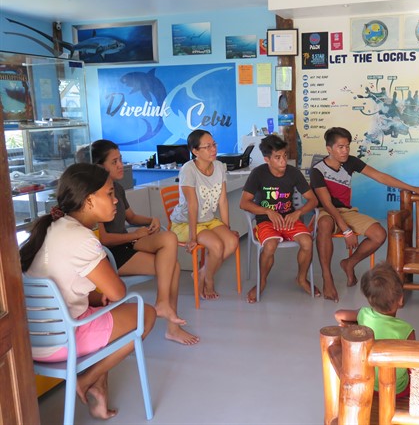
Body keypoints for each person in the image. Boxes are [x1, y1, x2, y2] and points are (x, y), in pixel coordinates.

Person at [20, 163, 156, 420]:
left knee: (103, 308)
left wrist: (95, 296)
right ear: (89, 200)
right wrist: (102, 294)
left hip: (32, 339)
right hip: (62, 340)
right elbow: (117, 292)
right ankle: (88, 379)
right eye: (109, 194)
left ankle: (99, 391)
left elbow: (64, 287)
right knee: (145, 313)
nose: (116, 200)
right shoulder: (83, 238)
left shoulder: (51, 227)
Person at [92, 140, 198, 345]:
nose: (121, 165)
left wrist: (151, 221)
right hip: (113, 253)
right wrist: (135, 236)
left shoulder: (118, 189)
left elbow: (131, 217)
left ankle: (163, 304)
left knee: (169, 237)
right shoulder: (96, 194)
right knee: (174, 267)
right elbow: (104, 239)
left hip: (127, 243)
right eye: (114, 162)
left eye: (120, 159)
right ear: (100, 167)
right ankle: (171, 325)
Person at [310, 127, 419, 302]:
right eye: (340, 147)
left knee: (379, 234)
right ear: (329, 149)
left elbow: (380, 176)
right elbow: (327, 204)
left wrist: (414, 188)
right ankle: (327, 277)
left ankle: (349, 263)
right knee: (324, 224)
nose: (345, 151)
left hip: (346, 212)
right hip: (327, 211)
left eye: (347, 146)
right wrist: (346, 230)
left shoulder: (350, 162)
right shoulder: (317, 170)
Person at [239, 134, 320, 303]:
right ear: (267, 159)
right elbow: (244, 203)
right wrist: (267, 212)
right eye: (277, 158)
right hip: (266, 221)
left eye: (284, 156)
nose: (283, 161)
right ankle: (261, 282)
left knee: (307, 242)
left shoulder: (293, 173)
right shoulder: (258, 174)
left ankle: (301, 278)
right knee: (270, 245)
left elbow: (313, 200)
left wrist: (298, 213)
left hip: (290, 218)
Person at [169, 130, 239, 300]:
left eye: (214, 145)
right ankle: (209, 279)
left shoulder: (220, 167)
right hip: (185, 223)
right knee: (216, 246)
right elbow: (192, 205)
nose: (213, 149)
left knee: (231, 242)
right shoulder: (188, 170)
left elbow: (223, 200)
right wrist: (193, 237)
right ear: (195, 151)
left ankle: (201, 273)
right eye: (207, 147)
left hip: (208, 220)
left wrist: (227, 228)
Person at [334, 262, 415, 398]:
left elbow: (338, 315)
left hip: (366, 382)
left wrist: (355, 324)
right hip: (396, 390)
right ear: (400, 299)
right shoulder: (407, 330)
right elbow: (412, 362)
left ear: (370, 300)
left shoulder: (364, 314)